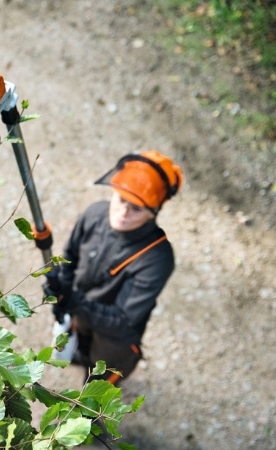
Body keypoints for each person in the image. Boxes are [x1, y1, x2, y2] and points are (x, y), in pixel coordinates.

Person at [45, 150, 183, 385]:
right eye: (121, 200)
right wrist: (59, 288)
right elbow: (69, 258)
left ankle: (92, 407)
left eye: (136, 209)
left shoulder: (157, 258)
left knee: (98, 383)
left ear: (152, 213)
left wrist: (73, 301)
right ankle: (80, 355)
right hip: (81, 310)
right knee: (80, 344)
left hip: (113, 337)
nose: (123, 212)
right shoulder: (95, 215)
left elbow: (123, 321)